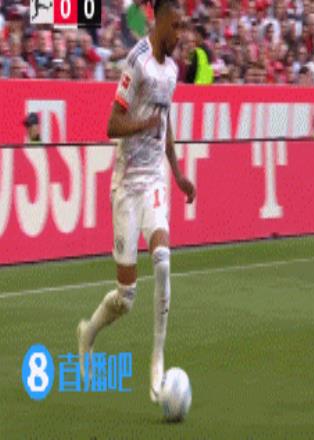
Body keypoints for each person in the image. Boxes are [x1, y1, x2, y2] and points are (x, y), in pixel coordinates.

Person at [77, 0, 196, 403]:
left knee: (163, 260)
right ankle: (88, 332)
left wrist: (177, 173)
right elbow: (111, 124)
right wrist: (144, 124)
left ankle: (157, 359)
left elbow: (167, 123)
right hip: (126, 185)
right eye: (175, 25)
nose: (180, 34)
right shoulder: (137, 62)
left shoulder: (172, 71)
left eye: (182, 26)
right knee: (125, 297)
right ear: (158, 21)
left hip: (154, 182)